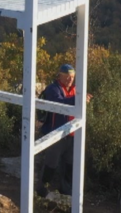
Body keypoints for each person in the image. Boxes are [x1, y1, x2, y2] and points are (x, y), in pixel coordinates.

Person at [35, 63, 89, 198]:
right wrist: (78, 98)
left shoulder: (76, 89)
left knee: (69, 164)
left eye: (72, 77)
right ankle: (41, 190)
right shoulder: (53, 89)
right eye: (67, 76)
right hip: (56, 133)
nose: (70, 79)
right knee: (51, 163)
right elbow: (59, 103)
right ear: (60, 76)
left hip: (72, 133)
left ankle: (66, 190)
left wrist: (82, 98)